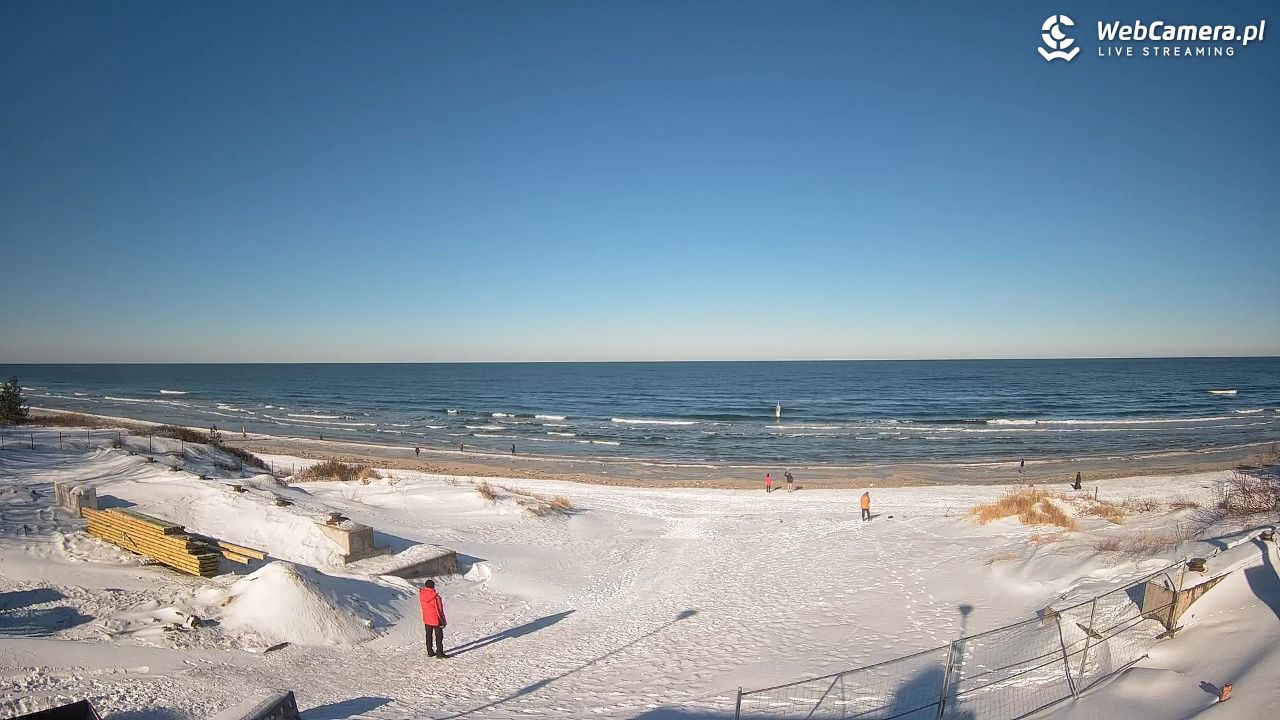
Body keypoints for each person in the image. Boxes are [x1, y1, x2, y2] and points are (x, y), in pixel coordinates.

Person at [419, 579, 448, 658]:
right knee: (439, 636)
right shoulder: (435, 597)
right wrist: (443, 621)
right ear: (433, 586)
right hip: (436, 619)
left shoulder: (421, 594)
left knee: (428, 635)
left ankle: (430, 652)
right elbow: (439, 610)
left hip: (426, 618)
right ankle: (439, 653)